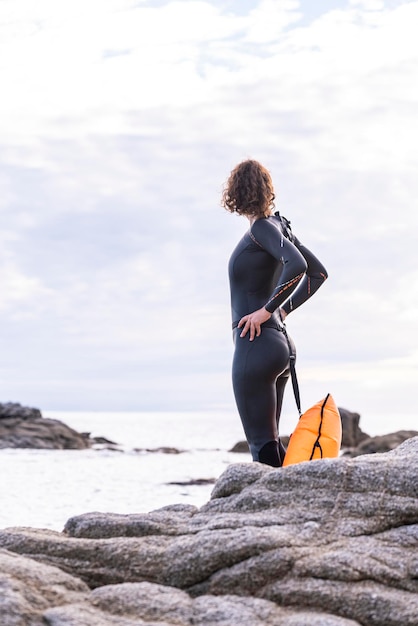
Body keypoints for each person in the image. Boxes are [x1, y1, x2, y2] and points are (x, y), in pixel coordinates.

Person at [222, 159, 328, 467]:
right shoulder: (278, 228)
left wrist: (266, 311)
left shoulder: (261, 229)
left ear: (236, 192)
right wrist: (281, 310)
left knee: (261, 448)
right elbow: (318, 275)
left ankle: (273, 512)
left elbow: (299, 266)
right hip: (279, 347)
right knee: (271, 445)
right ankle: (290, 506)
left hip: (256, 347)